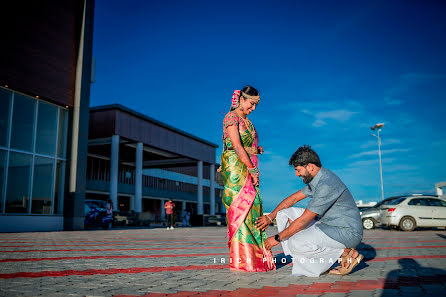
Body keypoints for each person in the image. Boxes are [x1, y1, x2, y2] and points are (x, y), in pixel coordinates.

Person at [256, 145, 363, 277]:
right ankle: (309, 243)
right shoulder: (317, 179)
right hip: (328, 225)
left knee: (296, 243)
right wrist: (270, 217)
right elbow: (293, 199)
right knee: (285, 213)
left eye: (298, 170)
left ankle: (347, 254)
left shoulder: (326, 184)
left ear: (310, 167)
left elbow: (304, 220)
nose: (296, 174)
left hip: (346, 232)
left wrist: (277, 238)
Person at [220, 85, 275, 272]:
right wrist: (252, 170)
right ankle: (243, 260)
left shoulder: (248, 122)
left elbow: (245, 145)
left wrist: (255, 151)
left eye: (255, 106)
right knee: (241, 211)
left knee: (254, 208)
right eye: (251, 104)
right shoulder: (231, 118)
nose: (253, 109)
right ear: (241, 99)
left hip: (249, 165)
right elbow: (236, 146)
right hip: (238, 170)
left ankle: (257, 258)